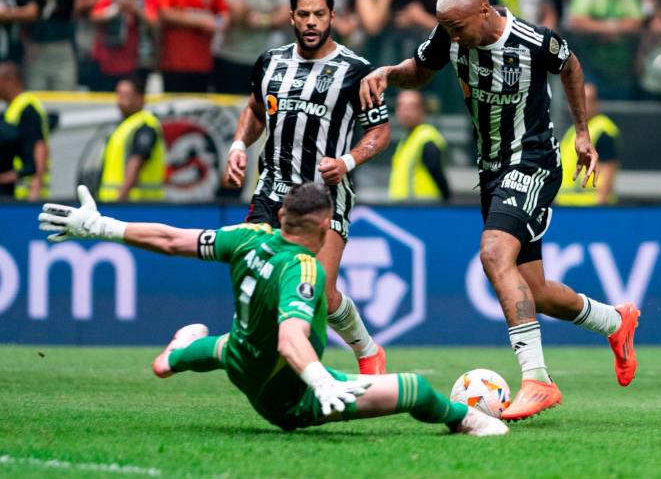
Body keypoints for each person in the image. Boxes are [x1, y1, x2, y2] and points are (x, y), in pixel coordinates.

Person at [359, 0, 640, 421]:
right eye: (446, 29)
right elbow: (422, 67)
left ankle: (538, 380)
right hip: (492, 172)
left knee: (493, 253)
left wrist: (582, 132)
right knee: (538, 292)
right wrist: (389, 74)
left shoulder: (533, 41)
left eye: (457, 27)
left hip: (532, 162)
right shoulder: (449, 36)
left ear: (484, 11)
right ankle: (615, 322)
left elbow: (571, 66)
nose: (452, 37)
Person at [37, 182, 509, 437]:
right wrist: (321, 380)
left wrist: (100, 225)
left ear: (281, 217)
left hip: (242, 362)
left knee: (232, 344)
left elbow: (171, 239)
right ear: (326, 225)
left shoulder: (247, 237)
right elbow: (291, 341)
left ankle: (177, 354)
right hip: (288, 399)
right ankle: (466, 420)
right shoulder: (304, 271)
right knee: (416, 388)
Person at [223, 0, 391, 375]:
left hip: (324, 195)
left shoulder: (356, 71)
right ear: (291, 17)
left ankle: (367, 350)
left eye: (319, 14)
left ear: (333, 16)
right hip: (272, 190)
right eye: (304, 15)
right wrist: (237, 146)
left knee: (321, 294)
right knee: (260, 280)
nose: (311, 22)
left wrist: (347, 161)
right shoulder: (269, 62)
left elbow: (380, 132)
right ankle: (284, 365)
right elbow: (254, 110)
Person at [157, 0, 228, 93]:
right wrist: (201, 21)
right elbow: (165, 13)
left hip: (203, 61)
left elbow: (223, 14)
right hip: (173, 60)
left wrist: (219, 23)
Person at [98, 78, 165, 202]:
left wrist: (120, 199)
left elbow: (136, 162)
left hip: (136, 204)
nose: (121, 100)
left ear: (140, 98)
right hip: (114, 204)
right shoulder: (124, 125)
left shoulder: (145, 124)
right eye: (119, 94)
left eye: (127, 95)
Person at [556, 83, 620, 205]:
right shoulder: (572, 132)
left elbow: (608, 171)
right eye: (575, 100)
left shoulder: (603, 131)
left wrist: (599, 205)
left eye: (585, 101)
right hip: (566, 207)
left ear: (596, 104)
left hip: (590, 208)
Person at [388, 89, 449, 202]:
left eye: (411, 107)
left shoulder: (427, 137)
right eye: (401, 107)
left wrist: (447, 200)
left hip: (422, 209)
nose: (405, 112)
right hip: (403, 210)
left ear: (422, 110)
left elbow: (436, 172)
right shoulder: (407, 139)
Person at [0, 62, 49, 200]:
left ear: (10, 80)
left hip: (26, 190)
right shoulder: (12, 109)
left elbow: (39, 145)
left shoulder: (27, 108)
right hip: (15, 188)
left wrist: (36, 183)